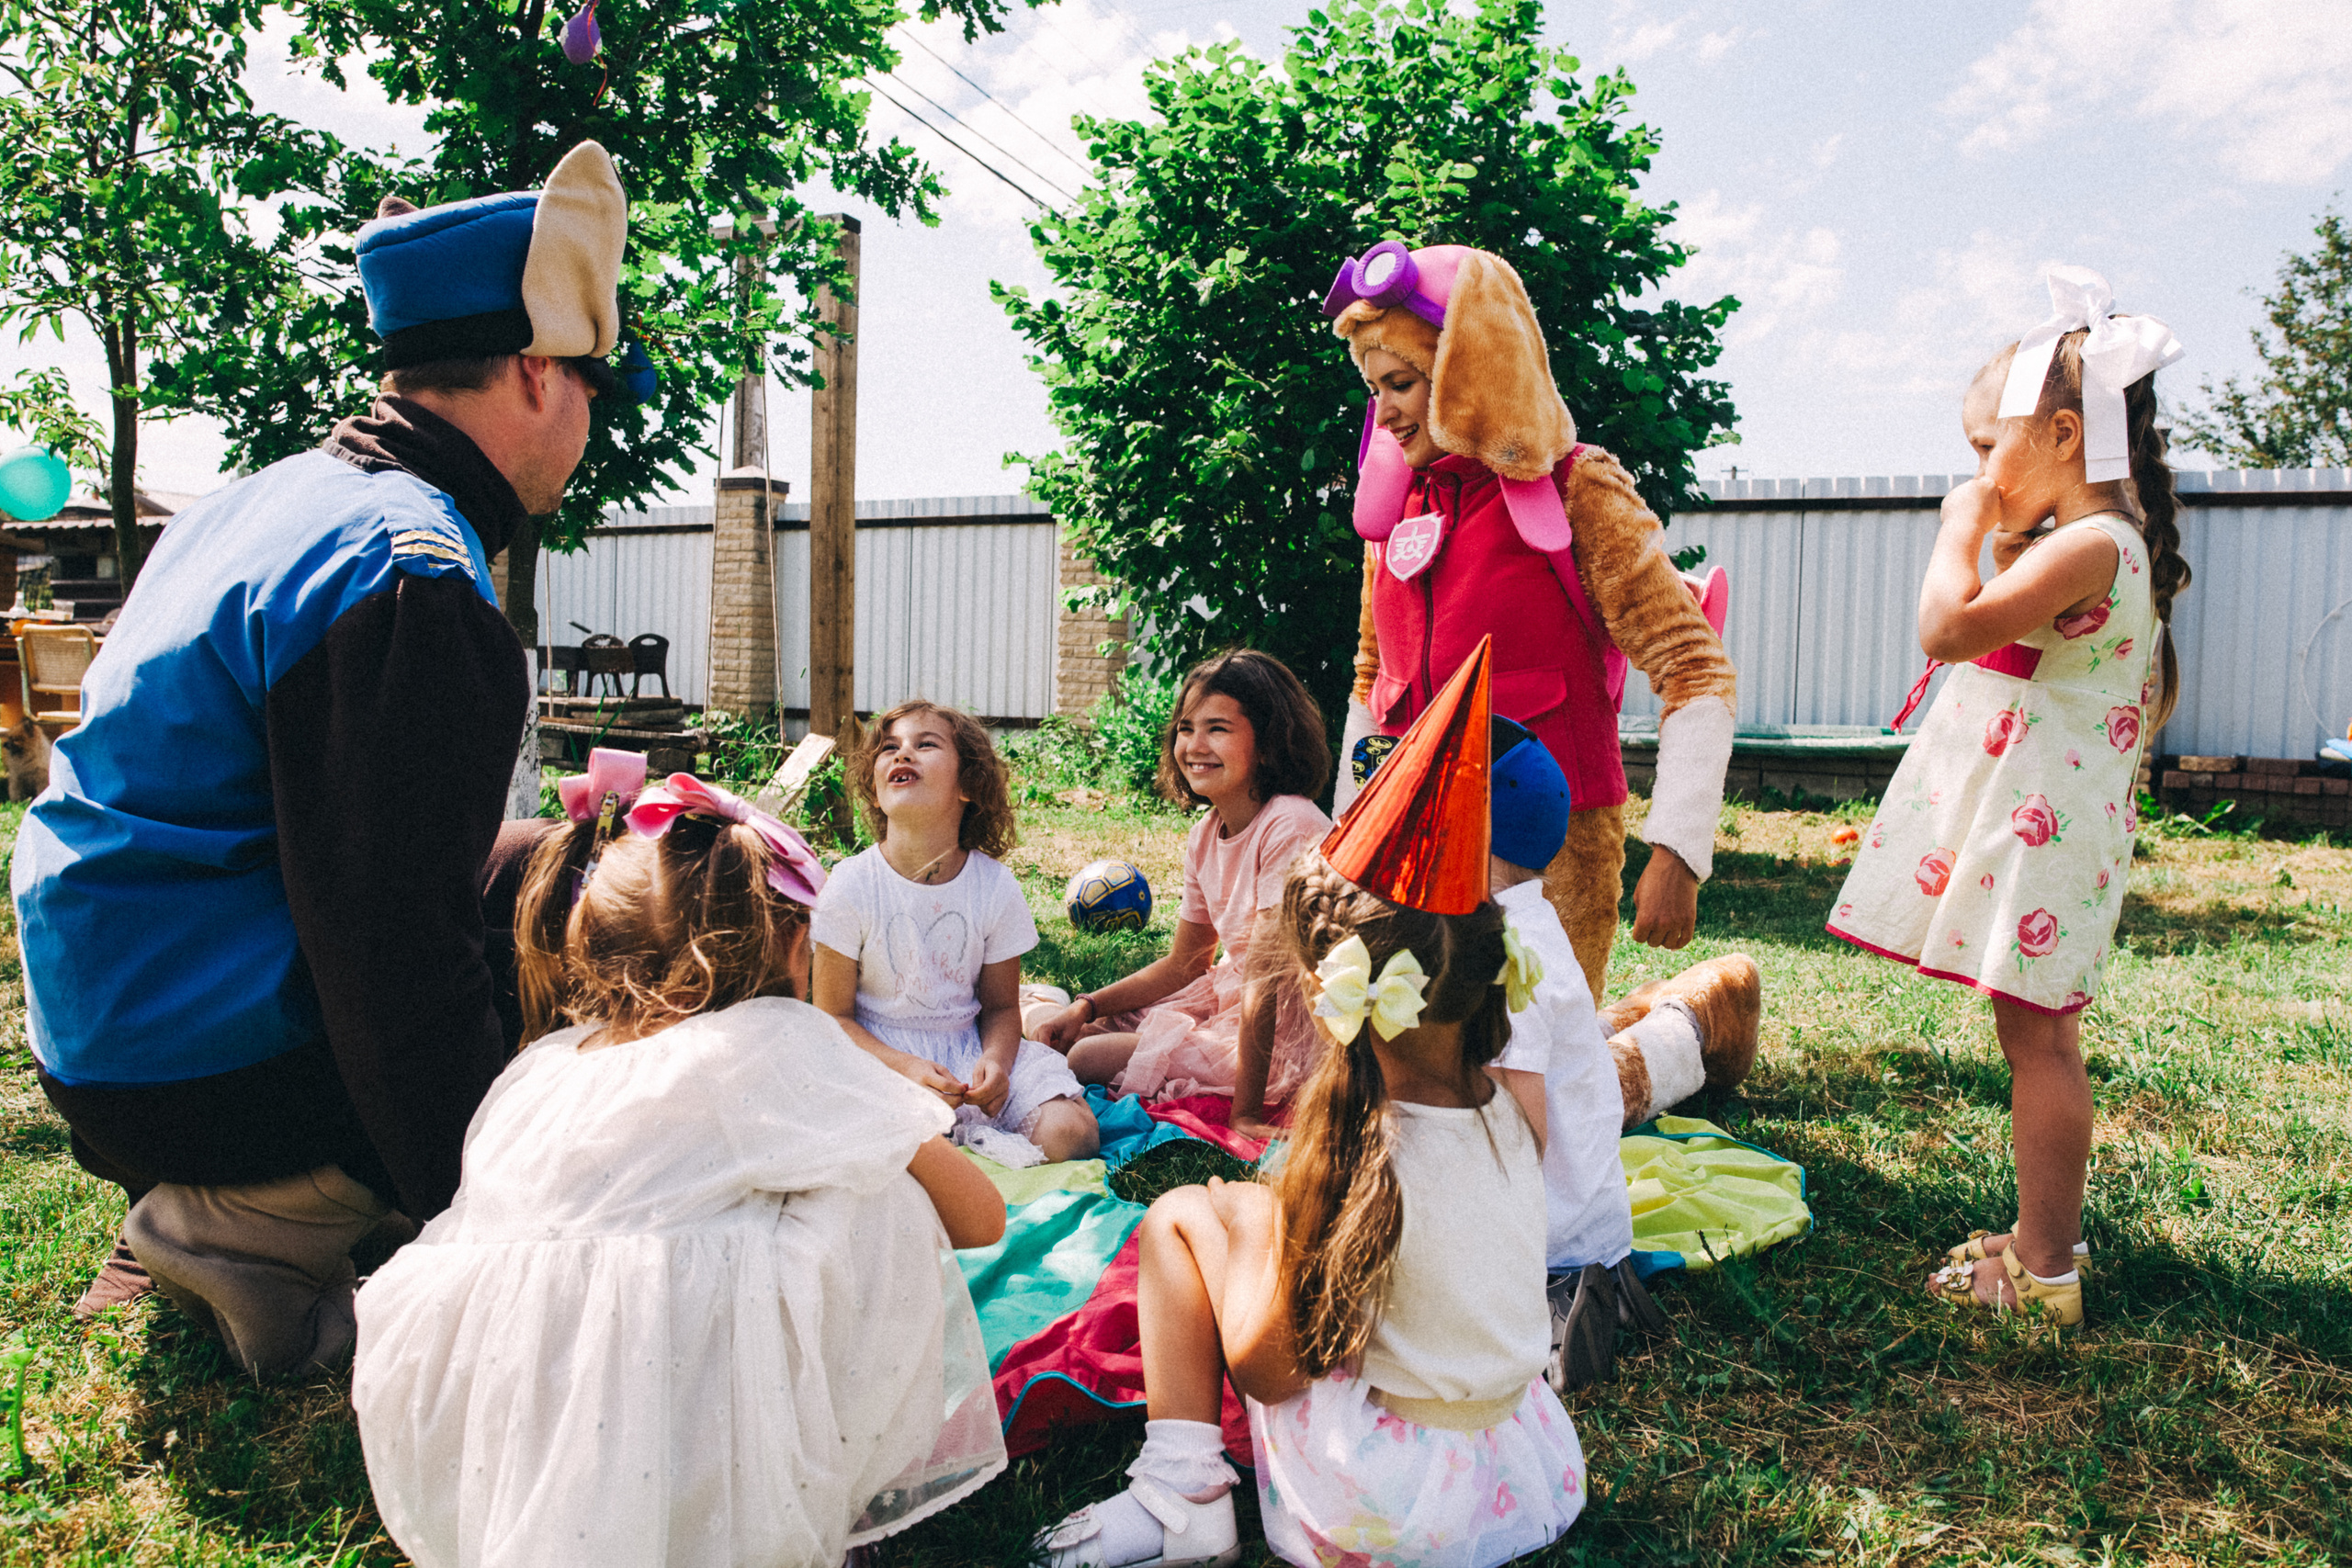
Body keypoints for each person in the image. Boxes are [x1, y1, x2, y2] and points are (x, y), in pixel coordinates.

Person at [12, 141, 631, 1365]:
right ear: (532, 368)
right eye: (593, 382)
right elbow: (394, 960)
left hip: (104, 1035)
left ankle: (245, 1189)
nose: (595, 412)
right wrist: (495, 1245)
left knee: (545, 862)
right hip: (193, 1074)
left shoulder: (270, 498)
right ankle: (242, 1221)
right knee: (589, 913)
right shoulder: (413, 575)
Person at [353, 774, 1009, 1567]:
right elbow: (980, 1216)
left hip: (493, 1431)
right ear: (794, 946)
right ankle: (780, 1487)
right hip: (691, 1422)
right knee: (886, 1198)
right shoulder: (779, 1041)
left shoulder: (545, 1065)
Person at [1044, 640, 1586, 1568]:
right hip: (1526, 1480)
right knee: (1242, 1208)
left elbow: (1268, 1369)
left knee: (1183, 1214)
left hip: (1391, 1510)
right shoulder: (1510, 1112)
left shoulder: (1344, 1153)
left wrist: (1252, 1226)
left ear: (1333, 994)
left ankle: (1180, 1495)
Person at [1828, 265, 2189, 1327]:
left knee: (2040, 1041)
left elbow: (1947, 630)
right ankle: (2043, 1236)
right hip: (2044, 829)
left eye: (1988, 447)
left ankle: (2044, 1271)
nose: (1978, 471)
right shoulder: (2086, 545)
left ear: (2064, 438)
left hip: (2050, 837)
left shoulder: (2089, 545)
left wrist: (1957, 526)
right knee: (2029, 1033)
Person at [1029, 650, 1331, 1127]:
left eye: (1217, 729)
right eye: (1186, 728)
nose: (1194, 744)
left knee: (1086, 1058)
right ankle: (1058, 1009)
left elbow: (1267, 985)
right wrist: (1088, 1006)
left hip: (1283, 1034)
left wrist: (1246, 1115)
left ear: (1270, 743)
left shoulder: (1290, 825)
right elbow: (1186, 964)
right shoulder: (1206, 832)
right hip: (1228, 998)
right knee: (1076, 1027)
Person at [813, 700, 1101, 1165]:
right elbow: (832, 1019)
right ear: (874, 786)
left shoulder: (993, 886)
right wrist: (905, 1067)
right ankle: (957, 1154)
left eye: (925, 745)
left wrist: (997, 1064)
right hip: (877, 1060)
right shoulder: (851, 885)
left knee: (1072, 1135)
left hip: (967, 1050)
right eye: (890, 748)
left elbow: (1003, 1007)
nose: (902, 754)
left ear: (968, 785)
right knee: (874, 1144)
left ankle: (966, 1144)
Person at [1481, 716, 1671, 1393]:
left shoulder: (1506, 952)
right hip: (1587, 1215)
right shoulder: (1531, 917)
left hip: (1547, 1228)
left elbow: (1522, 1120)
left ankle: (1558, 1314)